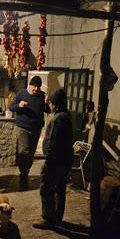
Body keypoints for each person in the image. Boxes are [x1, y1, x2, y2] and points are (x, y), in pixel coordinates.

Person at [33, 89, 73, 229]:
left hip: (55, 161)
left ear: (55, 103)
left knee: (47, 188)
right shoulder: (65, 115)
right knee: (59, 189)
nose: (49, 105)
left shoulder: (58, 119)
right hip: (64, 160)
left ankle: (48, 219)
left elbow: (54, 142)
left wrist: (48, 161)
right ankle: (57, 218)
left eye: (50, 102)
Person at [10, 76, 49, 180]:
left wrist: (46, 102)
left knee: (31, 152)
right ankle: (23, 172)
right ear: (30, 85)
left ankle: (26, 171)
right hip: (23, 127)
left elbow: (48, 110)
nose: (36, 89)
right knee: (24, 150)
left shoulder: (42, 95)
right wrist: (19, 105)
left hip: (36, 128)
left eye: (38, 87)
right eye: (34, 86)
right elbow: (11, 107)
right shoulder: (22, 93)